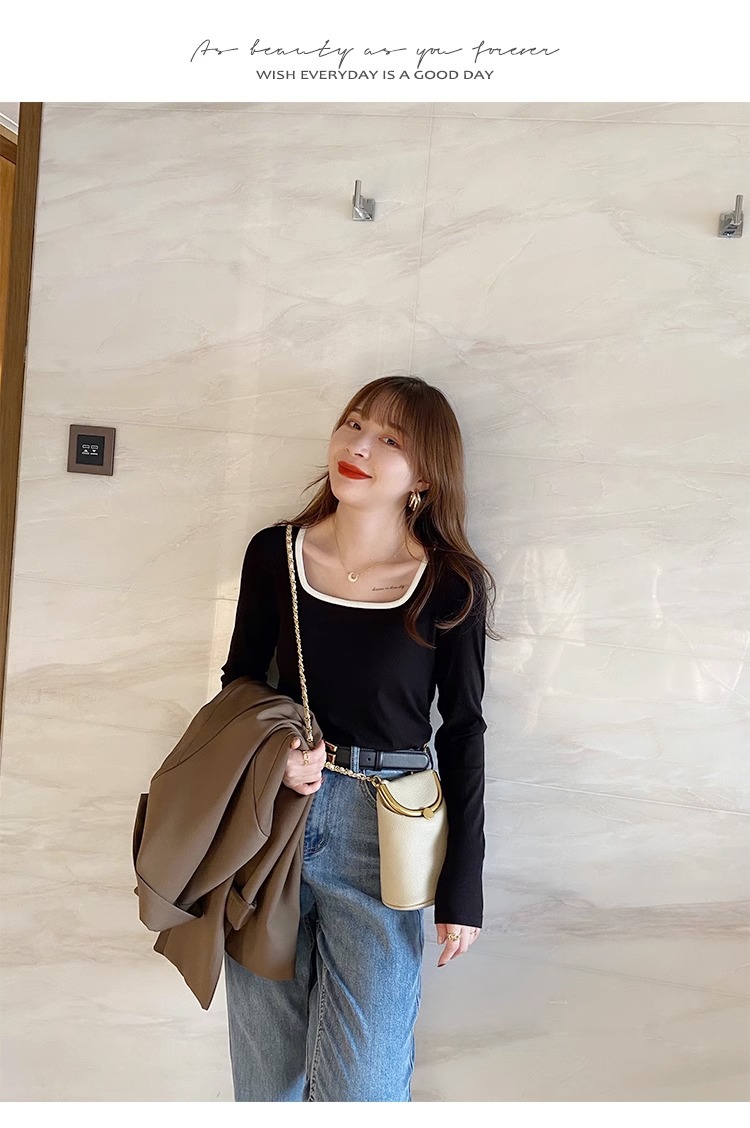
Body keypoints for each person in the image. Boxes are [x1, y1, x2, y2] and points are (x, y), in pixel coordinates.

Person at [219, 374, 501, 1102]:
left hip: (385, 835)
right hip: (274, 824)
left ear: (425, 477)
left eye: (389, 439)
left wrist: (463, 886)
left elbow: (463, 732)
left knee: (364, 1088)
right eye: (353, 424)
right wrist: (274, 760)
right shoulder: (275, 554)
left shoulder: (450, 585)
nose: (359, 446)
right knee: (267, 1084)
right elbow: (240, 686)